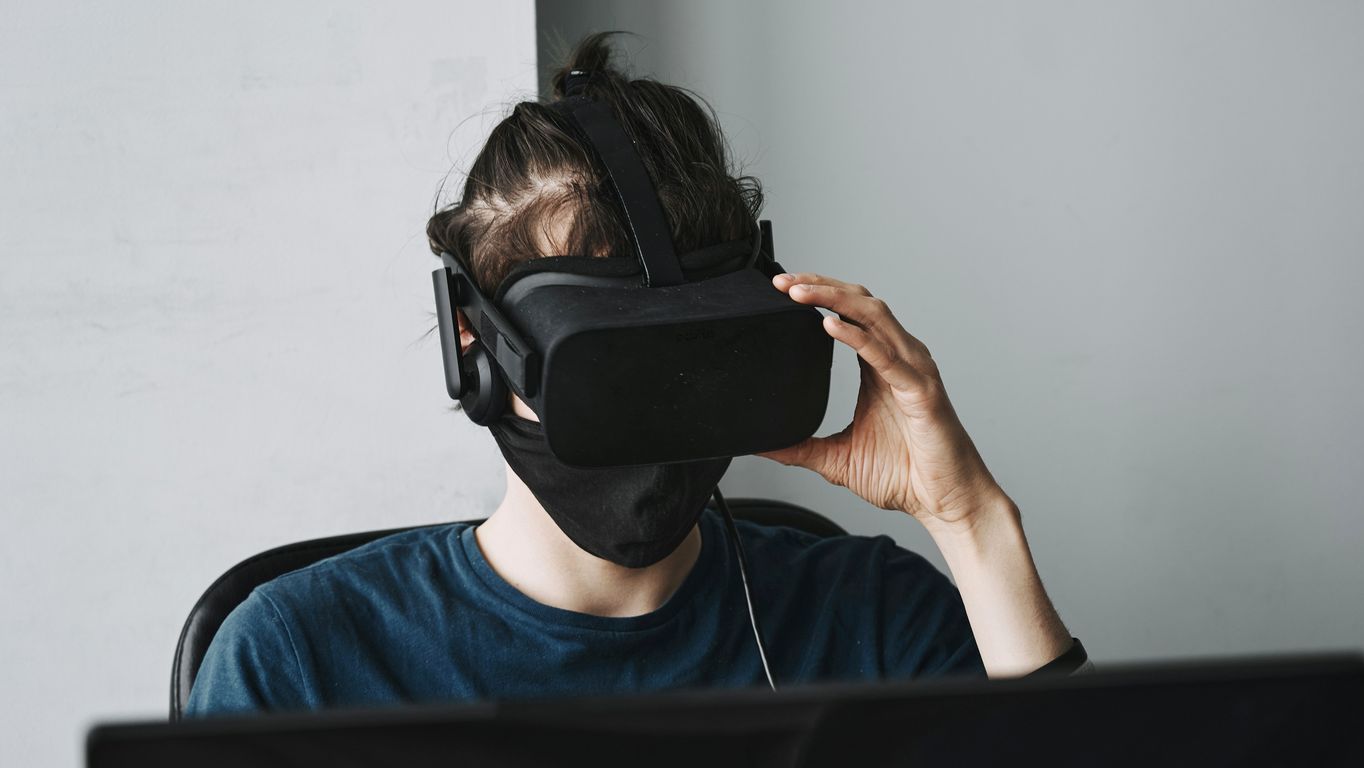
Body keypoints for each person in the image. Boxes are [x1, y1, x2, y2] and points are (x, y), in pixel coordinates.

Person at [186, 32, 1082, 717]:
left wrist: (969, 519)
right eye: (606, 361)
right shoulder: (300, 658)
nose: (653, 415)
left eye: (688, 353)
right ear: (474, 343)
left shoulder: (875, 621)